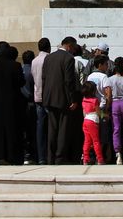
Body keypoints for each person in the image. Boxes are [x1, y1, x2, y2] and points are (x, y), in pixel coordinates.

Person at [42, 36, 80, 164]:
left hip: (49, 97)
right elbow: (69, 81)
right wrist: (73, 99)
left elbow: (44, 78)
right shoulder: (68, 58)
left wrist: (44, 97)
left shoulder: (49, 57)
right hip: (63, 98)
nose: (74, 51)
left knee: (52, 129)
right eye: (73, 48)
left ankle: (50, 157)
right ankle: (60, 157)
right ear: (69, 46)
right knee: (63, 129)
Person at [0, 42, 25, 165]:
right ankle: (11, 155)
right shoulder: (16, 65)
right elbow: (21, 82)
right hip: (12, 102)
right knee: (11, 129)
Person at [31, 37, 51, 165]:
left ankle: (41, 156)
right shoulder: (49, 59)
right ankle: (49, 155)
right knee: (51, 127)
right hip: (48, 97)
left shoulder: (34, 61)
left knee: (40, 127)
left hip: (37, 96)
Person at [81, 80, 104, 165]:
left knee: (87, 141)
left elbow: (84, 112)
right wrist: (104, 116)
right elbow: (98, 112)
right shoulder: (95, 100)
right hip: (93, 121)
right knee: (96, 141)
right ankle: (100, 158)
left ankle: (85, 158)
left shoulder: (84, 100)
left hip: (86, 120)